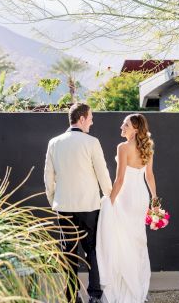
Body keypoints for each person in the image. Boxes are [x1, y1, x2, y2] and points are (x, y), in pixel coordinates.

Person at [44, 103, 112, 303]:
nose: (92, 121)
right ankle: (94, 295)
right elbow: (103, 174)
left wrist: (53, 200)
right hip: (89, 206)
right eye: (90, 117)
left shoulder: (54, 143)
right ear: (81, 119)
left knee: (69, 252)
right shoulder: (92, 142)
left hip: (63, 207)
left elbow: (48, 177)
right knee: (92, 249)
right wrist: (109, 196)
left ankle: (72, 295)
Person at [96, 114, 157, 303]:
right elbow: (149, 176)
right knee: (137, 240)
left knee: (123, 240)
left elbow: (120, 179)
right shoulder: (147, 147)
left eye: (126, 124)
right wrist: (154, 199)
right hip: (141, 197)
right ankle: (137, 288)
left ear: (136, 129)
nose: (122, 126)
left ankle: (126, 288)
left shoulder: (123, 147)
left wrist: (110, 202)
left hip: (126, 197)